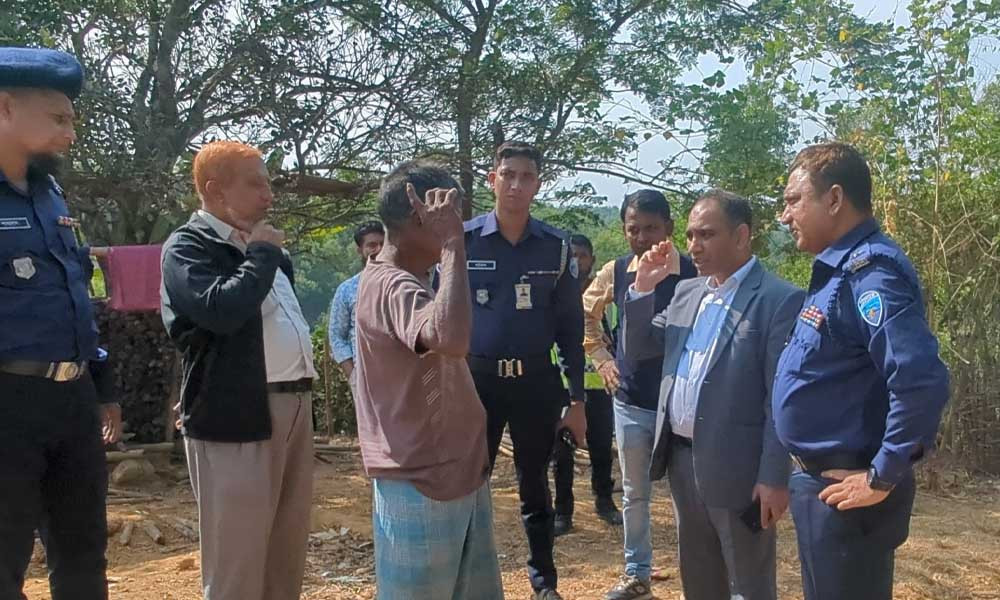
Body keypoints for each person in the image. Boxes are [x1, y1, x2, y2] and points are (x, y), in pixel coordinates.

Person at [773, 142, 950, 600]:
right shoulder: (838, 269)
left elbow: (919, 380)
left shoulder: (872, 274)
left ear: (833, 199)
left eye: (794, 201)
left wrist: (882, 475)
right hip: (822, 488)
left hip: (849, 492)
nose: (784, 215)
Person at [622, 191, 803, 600]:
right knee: (699, 578)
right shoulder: (688, 292)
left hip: (741, 469)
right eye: (689, 235)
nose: (693, 246)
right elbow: (639, 348)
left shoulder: (778, 300)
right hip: (683, 463)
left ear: (741, 237)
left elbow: (780, 399)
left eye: (706, 234)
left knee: (749, 583)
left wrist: (774, 477)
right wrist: (642, 288)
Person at [160, 140, 316, 600]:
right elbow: (221, 312)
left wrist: (264, 255)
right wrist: (262, 257)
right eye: (255, 185)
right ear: (214, 189)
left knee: (284, 556)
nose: (268, 196)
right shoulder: (188, 247)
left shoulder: (265, 251)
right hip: (235, 416)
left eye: (268, 184)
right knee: (238, 565)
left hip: (294, 408)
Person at [0, 46, 122, 600]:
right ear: (5, 108)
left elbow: (75, 296)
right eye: (58, 118)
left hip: (70, 401)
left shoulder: (50, 195)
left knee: (82, 553)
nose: (71, 133)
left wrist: (101, 386)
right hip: (8, 400)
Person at [353, 161, 503, 600]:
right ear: (422, 215)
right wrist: (453, 245)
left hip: (452, 476)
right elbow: (451, 340)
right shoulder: (391, 286)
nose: (460, 222)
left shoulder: (415, 280)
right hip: (421, 485)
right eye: (452, 212)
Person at [461, 141, 586, 600]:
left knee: (536, 484)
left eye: (526, 176)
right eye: (507, 174)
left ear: (537, 184)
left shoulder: (555, 247)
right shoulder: (462, 239)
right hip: (477, 382)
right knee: (470, 483)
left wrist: (576, 399)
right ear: (492, 179)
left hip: (536, 381)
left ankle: (543, 583)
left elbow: (571, 329)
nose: (516, 184)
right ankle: (467, 580)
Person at [580, 190, 696, 600]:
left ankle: (698, 577)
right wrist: (602, 361)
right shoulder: (618, 270)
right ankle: (637, 574)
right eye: (634, 229)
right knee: (634, 493)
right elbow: (585, 315)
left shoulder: (694, 271)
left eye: (651, 228)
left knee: (689, 497)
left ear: (669, 227)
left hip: (682, 405)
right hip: (631, 400)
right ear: (623, 230)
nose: (643, 237)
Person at [550, 233, 622, 536]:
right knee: (562, 451)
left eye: (583, 255)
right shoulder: (552, 296)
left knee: (602, 448)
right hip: (564, 388)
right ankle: (563, 510)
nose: (578, 261)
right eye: (573, 255)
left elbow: (620, 340)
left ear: (592, 260)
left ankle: (604, 501)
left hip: (600, 387)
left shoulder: (607, 299)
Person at [328, 220, 384, 392]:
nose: (379, 250)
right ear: (360, 250)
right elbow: (336, 336)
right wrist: (353, 376)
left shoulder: (404, 285)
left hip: (402, 379)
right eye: (372, 245)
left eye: (383, 244)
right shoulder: (347, 290)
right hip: (364, 380)